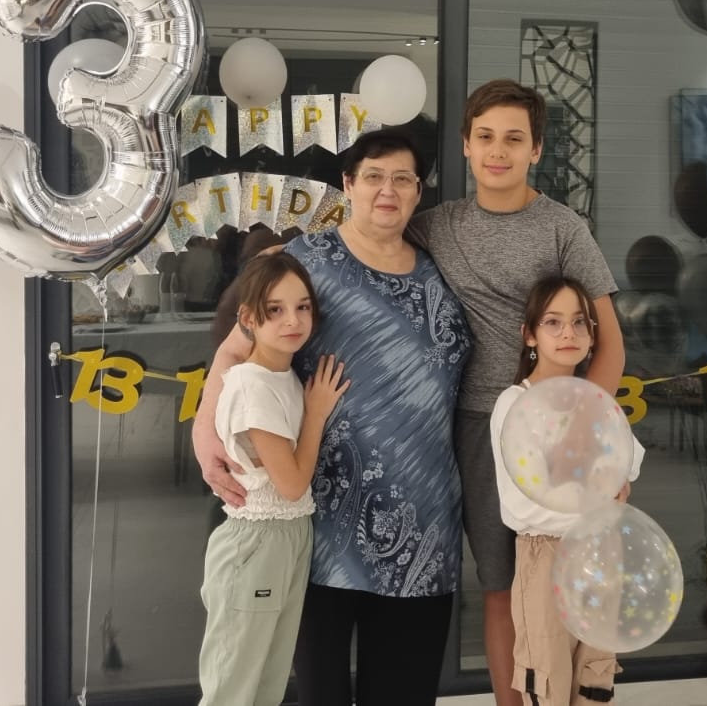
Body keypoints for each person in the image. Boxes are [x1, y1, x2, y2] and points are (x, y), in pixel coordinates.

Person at [193, 129, 472, 706]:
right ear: (348, 184)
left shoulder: (442, 273)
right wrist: (204, 430)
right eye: (373, 177)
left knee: (404, 695)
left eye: (402, 179)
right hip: (319, 524)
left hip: (423, 524)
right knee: (320, 691)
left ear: (418, 191)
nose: (387, 190)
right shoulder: (303, 262)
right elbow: (233, 350)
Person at [408, 79, 626, 706]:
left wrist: (584, 431)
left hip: (559, 430)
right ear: (465, 145)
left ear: (536, 150)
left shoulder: (562, 229)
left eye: (513, 139)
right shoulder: (438, 225)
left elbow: (610, 345)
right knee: (501, 584)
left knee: (570, 577)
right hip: (479, 426)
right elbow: (369, 238)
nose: (497, 151)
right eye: (485, 137)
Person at [197, 253, 348, 706]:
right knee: (233, 691)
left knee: (266, 686)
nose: (293, 320)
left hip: (288, 537)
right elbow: (292, 484)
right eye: (275, 309)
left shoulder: (282, 376)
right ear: (248, 318)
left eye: (302, 307)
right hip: (257, 542)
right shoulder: (252, 385)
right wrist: (316, 414)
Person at [490, 276, 644, 706]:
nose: (568, 333)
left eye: (579, 322)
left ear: (592, 335)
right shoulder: (514, 404)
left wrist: (612, 483)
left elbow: (629, 462)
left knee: (595, 676)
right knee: (548, 679)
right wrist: (595, 496)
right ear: (530, 335)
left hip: (601, 551)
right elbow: (522, 504)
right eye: (553, 322)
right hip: (547, 556)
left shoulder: (594, 401)